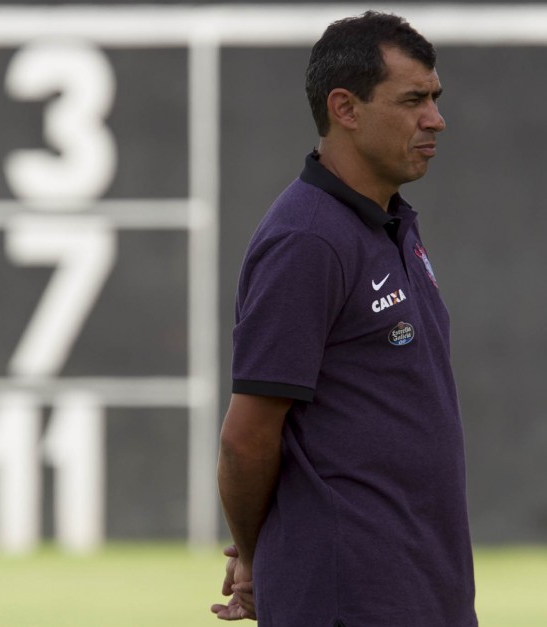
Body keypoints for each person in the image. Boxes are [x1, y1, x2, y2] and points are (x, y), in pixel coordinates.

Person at [210, 11, 477, 626]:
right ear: (345, 109)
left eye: (434, 98)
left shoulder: (390, 224)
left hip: (424, 592)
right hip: (350, 600)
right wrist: (255, 559)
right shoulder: (308, 239)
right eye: (413, 100)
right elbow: (245, 438)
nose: (435, 119)